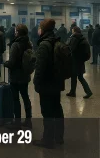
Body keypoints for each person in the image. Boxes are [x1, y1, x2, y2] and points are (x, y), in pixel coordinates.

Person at [32, 18, 64, 149]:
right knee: (57, 108)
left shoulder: (44, 44)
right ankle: (59, 137)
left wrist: (36, 82)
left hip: (47, 83)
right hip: (57, 81)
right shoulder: (56, 40)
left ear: (43, 29)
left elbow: (40, 67)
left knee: (47, 111)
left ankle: (48, 139)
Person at [3, 24, 32, 129]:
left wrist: (5, 63)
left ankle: (17, 122)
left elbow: (12, 63)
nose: (14, 32)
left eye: (15, 31)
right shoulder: (28, 43)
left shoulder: (16, 45)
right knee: (25, 97)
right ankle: (28, 120)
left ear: (18, 32)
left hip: (16, 76)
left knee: (16, 99)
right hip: (25, 75)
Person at [66, 26, 93, 99]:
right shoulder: (81, 38)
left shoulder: (74, 38)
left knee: (76, 77)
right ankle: (73, 92)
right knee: (78, 77)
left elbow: (71, 49)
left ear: (74, 31)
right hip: (80, 61)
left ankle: (83, 92)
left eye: (72, 30)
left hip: (75, 61)